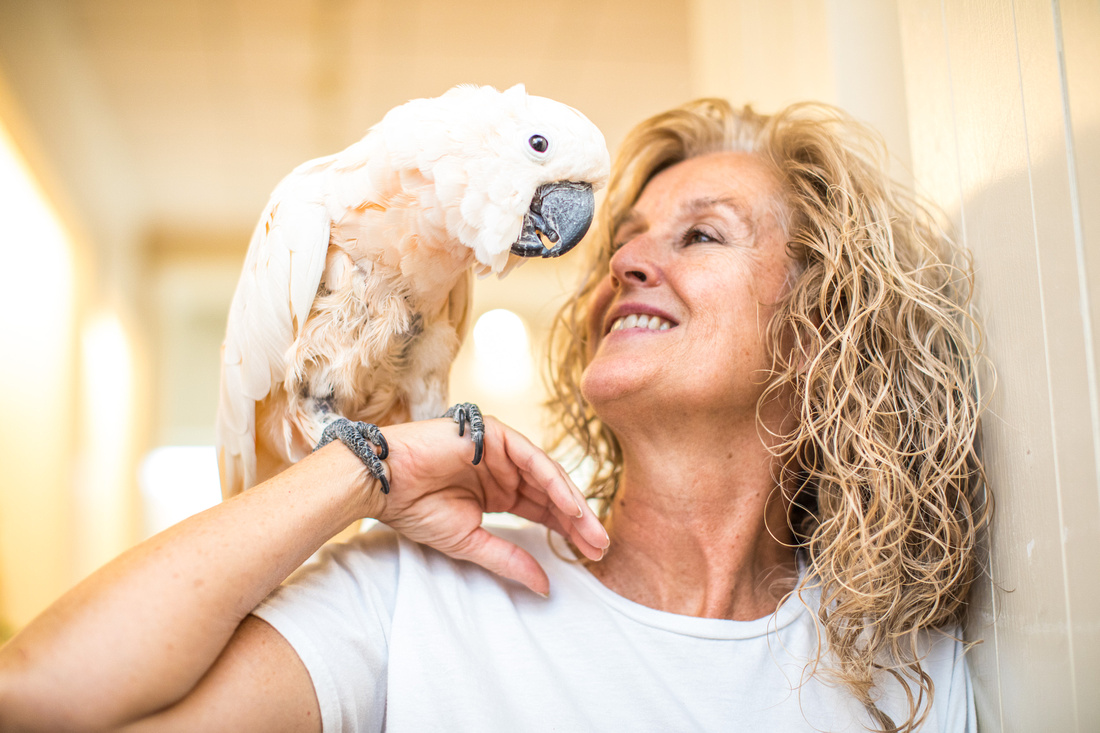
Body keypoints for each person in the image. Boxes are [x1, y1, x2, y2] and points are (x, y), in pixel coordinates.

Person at [0, 99, 989, 732]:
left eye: (700, 235)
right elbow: (38, 697)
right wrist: (364, 471)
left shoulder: (908, 667)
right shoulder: (417, 592)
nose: (625, 265)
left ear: (820, 323)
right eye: (624, 243)